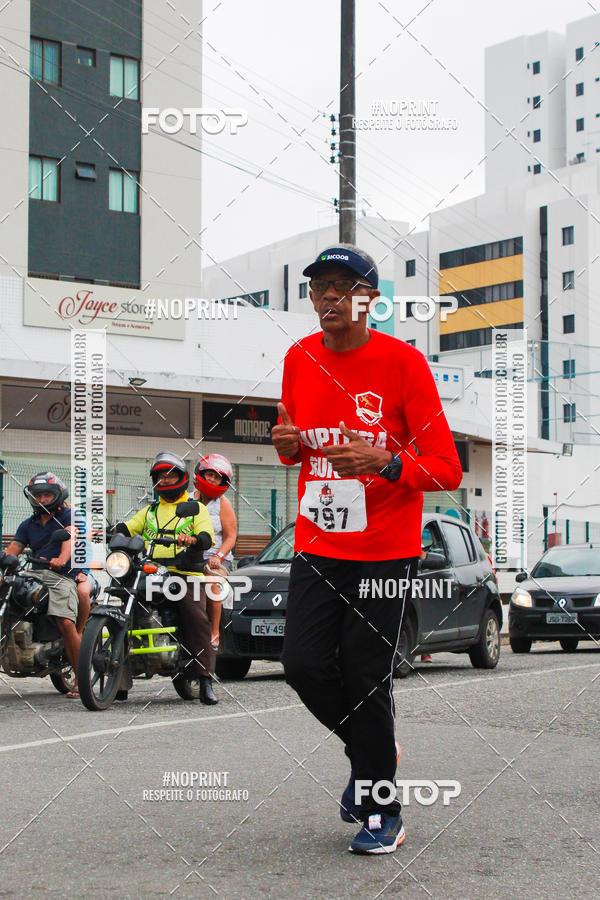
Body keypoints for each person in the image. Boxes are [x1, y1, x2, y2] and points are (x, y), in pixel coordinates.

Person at [273, 244, 462, 854]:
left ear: (368, 299)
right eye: (318, 287)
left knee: (364, 677)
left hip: (384, 551)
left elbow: (447, 471)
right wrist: (289, 446)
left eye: (342, 286)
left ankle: (383, 810)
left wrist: (386, 463)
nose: (328, 297)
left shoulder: (403, 364)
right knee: (302, 666)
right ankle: (371, 749)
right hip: (317, 543)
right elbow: (300, 445)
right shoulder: (298, 359)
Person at [115, 451, 217, 704]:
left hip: (184, 573)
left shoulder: (197, 508)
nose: (166, 480)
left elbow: (207, 538)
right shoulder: (149, 511)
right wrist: (110, 530)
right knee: (123, 605)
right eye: (161, 476)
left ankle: (205, 679)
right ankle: (118, 679)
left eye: (171, 476)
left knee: (195, 616)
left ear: (181, 478)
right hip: (150, 570)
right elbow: (128, 527)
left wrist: (192, 540)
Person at [6, 472, 83, 698]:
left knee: (65, 622)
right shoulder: (28, 524)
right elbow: (13, 550)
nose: (42, 500)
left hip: (61, 576)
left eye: (47, 495)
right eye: (38, 496)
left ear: (57, 496)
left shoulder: (68, 516)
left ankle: (81, 678)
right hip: (33, 574)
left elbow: (70, 538)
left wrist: (62, 558)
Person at [192, 454, 237, 649]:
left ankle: (214, 632)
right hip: (189, 558)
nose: (211, 479)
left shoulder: (223, 503)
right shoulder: (186, 499)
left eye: (216, 477)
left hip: (216, 560)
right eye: (209, 474)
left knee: (211, 583)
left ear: (223, 482)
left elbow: (231, 536)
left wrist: (218, 557)